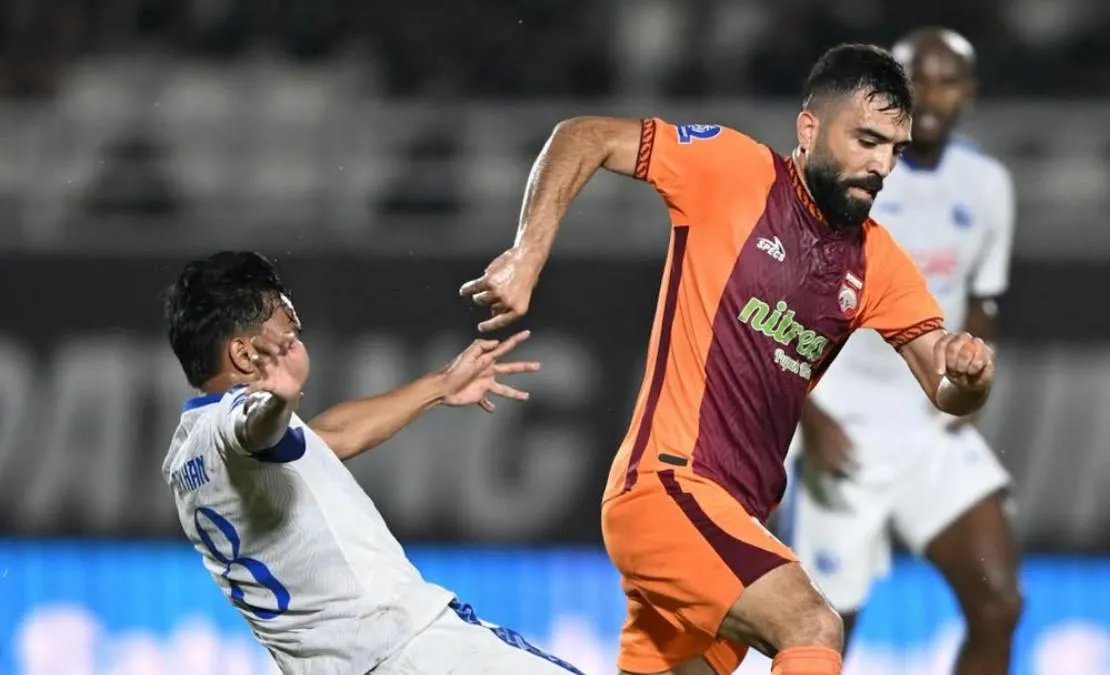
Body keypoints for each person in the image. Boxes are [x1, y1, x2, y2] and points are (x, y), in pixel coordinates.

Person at [459, 43, 997, 675]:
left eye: (895, 151)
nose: (881, 165)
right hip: (668, 490)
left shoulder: (877, 261)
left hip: (734, 524)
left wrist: (969, 374)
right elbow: (584, 136)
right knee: (812, 625)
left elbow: (943, 385)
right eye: (867, 140)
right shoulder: (732, 169)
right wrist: (528, 254)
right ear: (809, 128)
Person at [161, 251, 583, 675]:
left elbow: (327, 439)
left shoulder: (187, 455)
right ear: (244, 355)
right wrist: (278, 399)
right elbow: (254, 427)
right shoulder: (240, 420)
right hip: (415, 652)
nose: (298, 345)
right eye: (290, 333)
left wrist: (439, 386)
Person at [777, 28, 1022, 675]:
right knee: (823, 633)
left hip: (926, 424)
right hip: (843, 424)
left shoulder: (987, 184)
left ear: (969, 92)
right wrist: (808, 417)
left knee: (999, 604)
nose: (933, 96)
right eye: (918, 83)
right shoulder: (844, 176)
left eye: (949, 81)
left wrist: (970, 376)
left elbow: (986, 297)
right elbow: (778, 307)